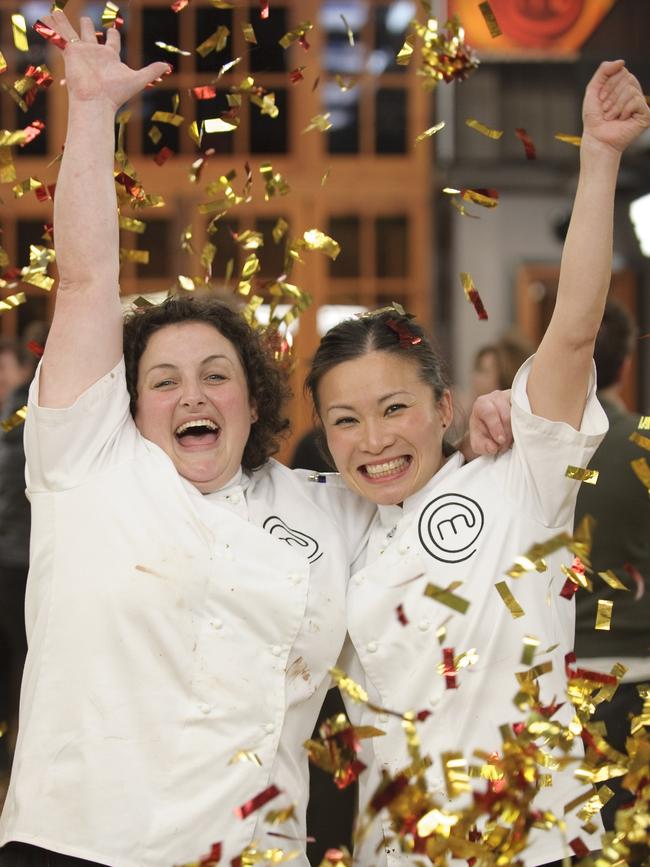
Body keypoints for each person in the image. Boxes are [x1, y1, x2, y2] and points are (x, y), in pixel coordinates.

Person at [0, 12, 354, 867]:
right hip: (76, 846)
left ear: (254, 393)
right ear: (129, 400)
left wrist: (487, 432)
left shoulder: (324, 507)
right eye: (163, 379)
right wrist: (89, 113)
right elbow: (85, 281)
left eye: (216, 373)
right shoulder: (87, 462)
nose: (192, 393)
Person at [303, 61, 650, 866]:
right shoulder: (327, 521)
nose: (375, 439)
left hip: (538, 844)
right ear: (322, 433)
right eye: (346, 420)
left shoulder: (521, 479)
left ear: (445, 406)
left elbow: (570, 332)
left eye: (395, 409)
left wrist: (599, 158)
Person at [574, 299, 650, 832]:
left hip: (559, 684)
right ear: (626, 364)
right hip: (640, 679)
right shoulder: (644, 439)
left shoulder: (531, 450)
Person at [0, 325, 48, 785]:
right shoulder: (27, 415)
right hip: (23, 561)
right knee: (28, 660)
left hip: (18, 557)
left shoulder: (20, 409)